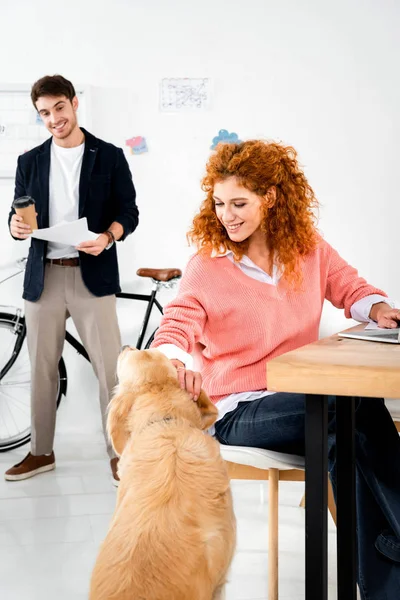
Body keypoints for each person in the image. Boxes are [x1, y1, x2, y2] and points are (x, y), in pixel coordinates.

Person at [152, 140, 400, 599]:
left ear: (271, 197)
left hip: (304, 397)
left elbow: (350, 286)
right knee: (346, 412)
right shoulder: (208, 266)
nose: (228, 214)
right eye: (220, 203)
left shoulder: (309, 250)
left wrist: (378, 307)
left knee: (342, 434)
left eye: (239, 203)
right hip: (238, 410)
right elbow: (178, 322)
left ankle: (385, 583)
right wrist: (172, 357)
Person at [5, 74, 138, 485]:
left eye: (59, 108)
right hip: (43, 277)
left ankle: (120, 454)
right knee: (41, 368)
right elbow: (18, 215)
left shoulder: (109, 156)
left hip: (91, 275)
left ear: (74, 103)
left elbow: (129, 213)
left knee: (109, 372)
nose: (53, 119)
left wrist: (107, 236)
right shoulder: (29, 162)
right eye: (44, 113)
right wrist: (15, 227)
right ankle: (40, 452)